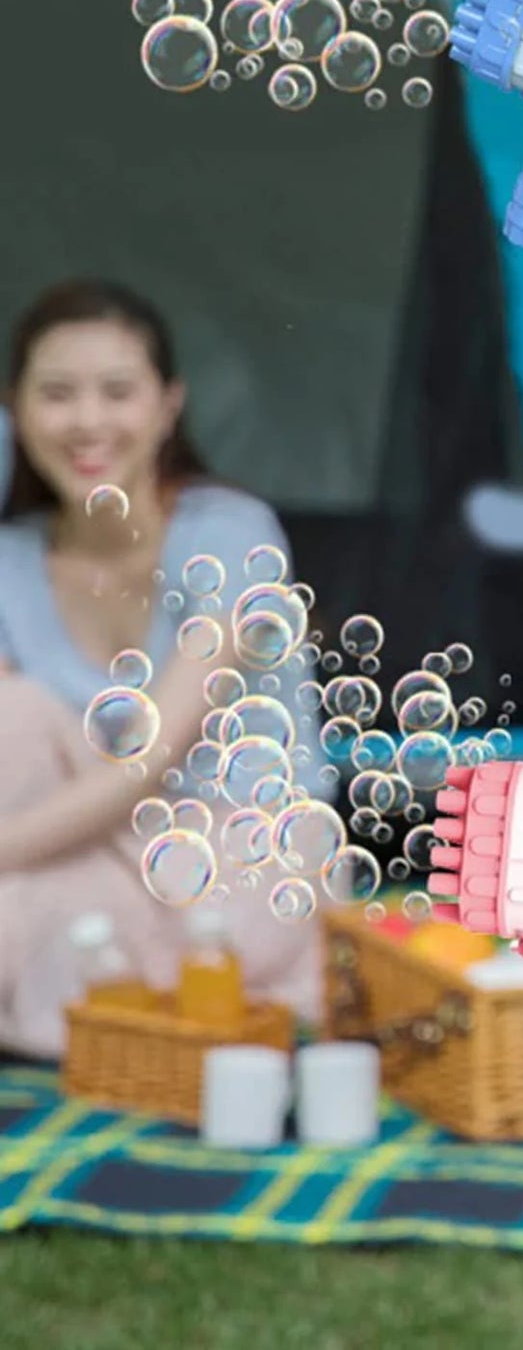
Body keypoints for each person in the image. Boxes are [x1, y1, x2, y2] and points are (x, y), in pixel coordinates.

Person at [0, 280, 329, 1059]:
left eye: (118, 392)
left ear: (167, 404)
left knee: (42, 917)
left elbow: (148, 759)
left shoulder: (228, 534)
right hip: (81, 851)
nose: (87, 422)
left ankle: (89, 993)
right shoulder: (12, 557)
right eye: (56, 394)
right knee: (13, 717)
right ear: (15, 408)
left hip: (230, 861)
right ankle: (104, 994)